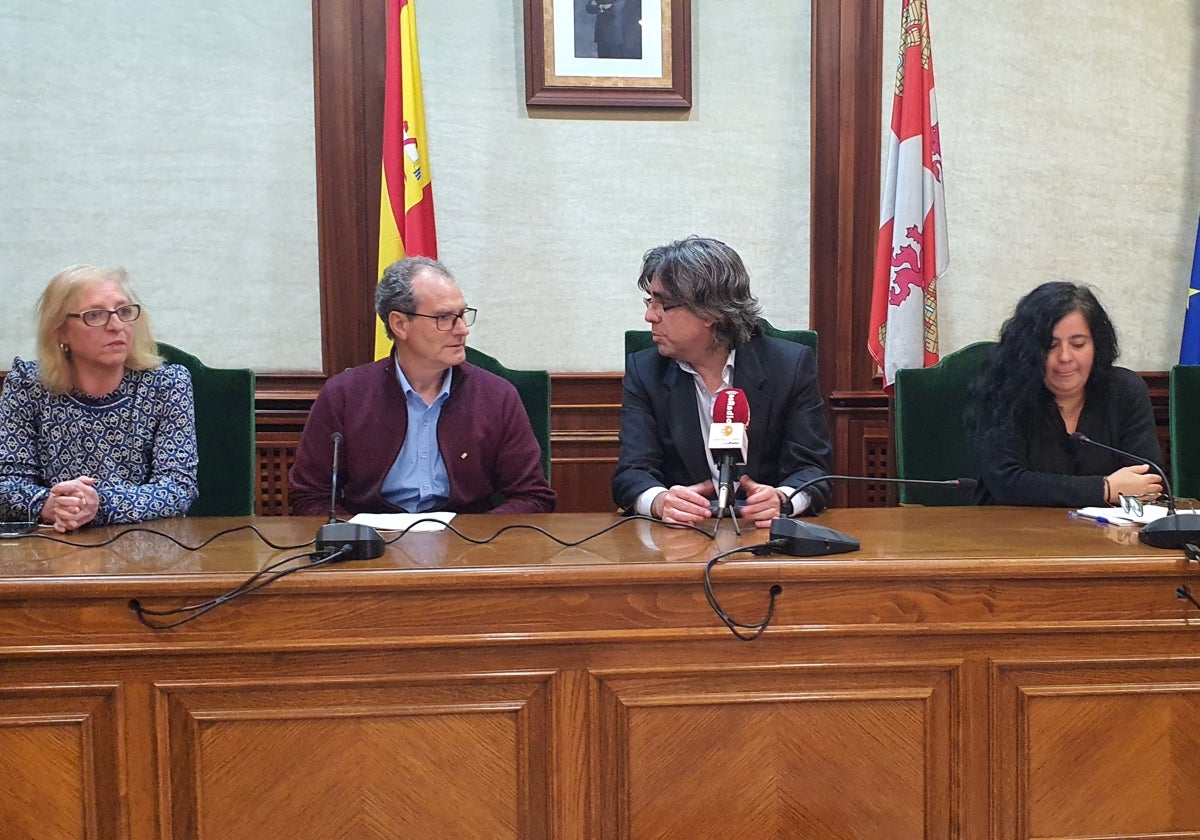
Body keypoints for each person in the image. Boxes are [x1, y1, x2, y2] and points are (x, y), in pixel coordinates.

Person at [289, 256, 556, 516]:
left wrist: (474, 538)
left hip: (468, 547)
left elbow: (532, 496)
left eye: (462, 315)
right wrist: (357, 537)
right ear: (400, 324)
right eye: (444, 318)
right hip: (373, 546)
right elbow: (310, 495)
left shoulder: (497, 396)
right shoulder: (344, 395)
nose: (462, 329)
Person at [611, 236, 833, 529]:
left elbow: (813, 469)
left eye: (662, 304)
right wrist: (660, 500)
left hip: (765, 539)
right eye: (650, 301)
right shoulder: (645, 371)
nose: (650, 315)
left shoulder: (788, 367)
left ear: (709, 312)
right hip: (681, 539)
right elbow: (631, 472)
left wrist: (783, 499)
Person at [0, 265, 198, 531]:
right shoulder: (28, 384)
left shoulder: (166, 384)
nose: (116, 326)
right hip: (50, 548)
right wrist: (47, 504)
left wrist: (98, 504)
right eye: (95, 315)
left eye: (124, 312)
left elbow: (178, 488)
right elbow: (6, 483)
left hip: (145, 551)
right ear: (60, 331)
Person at [967, 281, 1163, 507]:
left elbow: (1148, 480)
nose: (1065, 357)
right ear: (1028, 350)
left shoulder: (1124, 390)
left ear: (1097, 346)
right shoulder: (1002, 389)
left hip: (1103, 537)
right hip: (1011, 534)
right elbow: (1007, 483)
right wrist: (1104, 489)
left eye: (1078, 344)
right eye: (1051, 345)